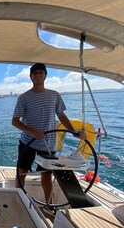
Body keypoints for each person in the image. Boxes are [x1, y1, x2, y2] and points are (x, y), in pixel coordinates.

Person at [12, 63, 83, 212]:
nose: (38, 75)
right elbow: (15, 121)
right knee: (22, 172)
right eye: (35, 73)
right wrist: (32, 131)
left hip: (48, 143)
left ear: (45, 75)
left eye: (40, 72)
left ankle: (48, 205)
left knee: (46, 174)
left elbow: (61, 116)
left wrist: (73, 131)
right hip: (27, 142)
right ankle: (17, 201)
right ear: (30, 76)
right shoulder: (24, 97)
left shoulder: (54, 95)